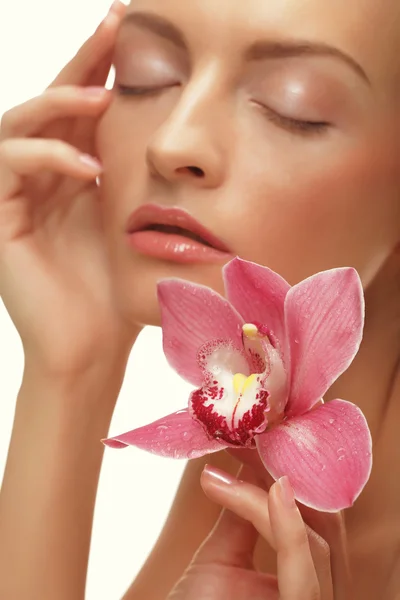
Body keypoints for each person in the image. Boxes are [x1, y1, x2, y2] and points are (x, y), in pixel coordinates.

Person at [0, 0, 399, 598]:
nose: (170, 143)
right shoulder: (245, 461)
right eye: (144, 77)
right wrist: (72, 367)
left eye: (294, 106)